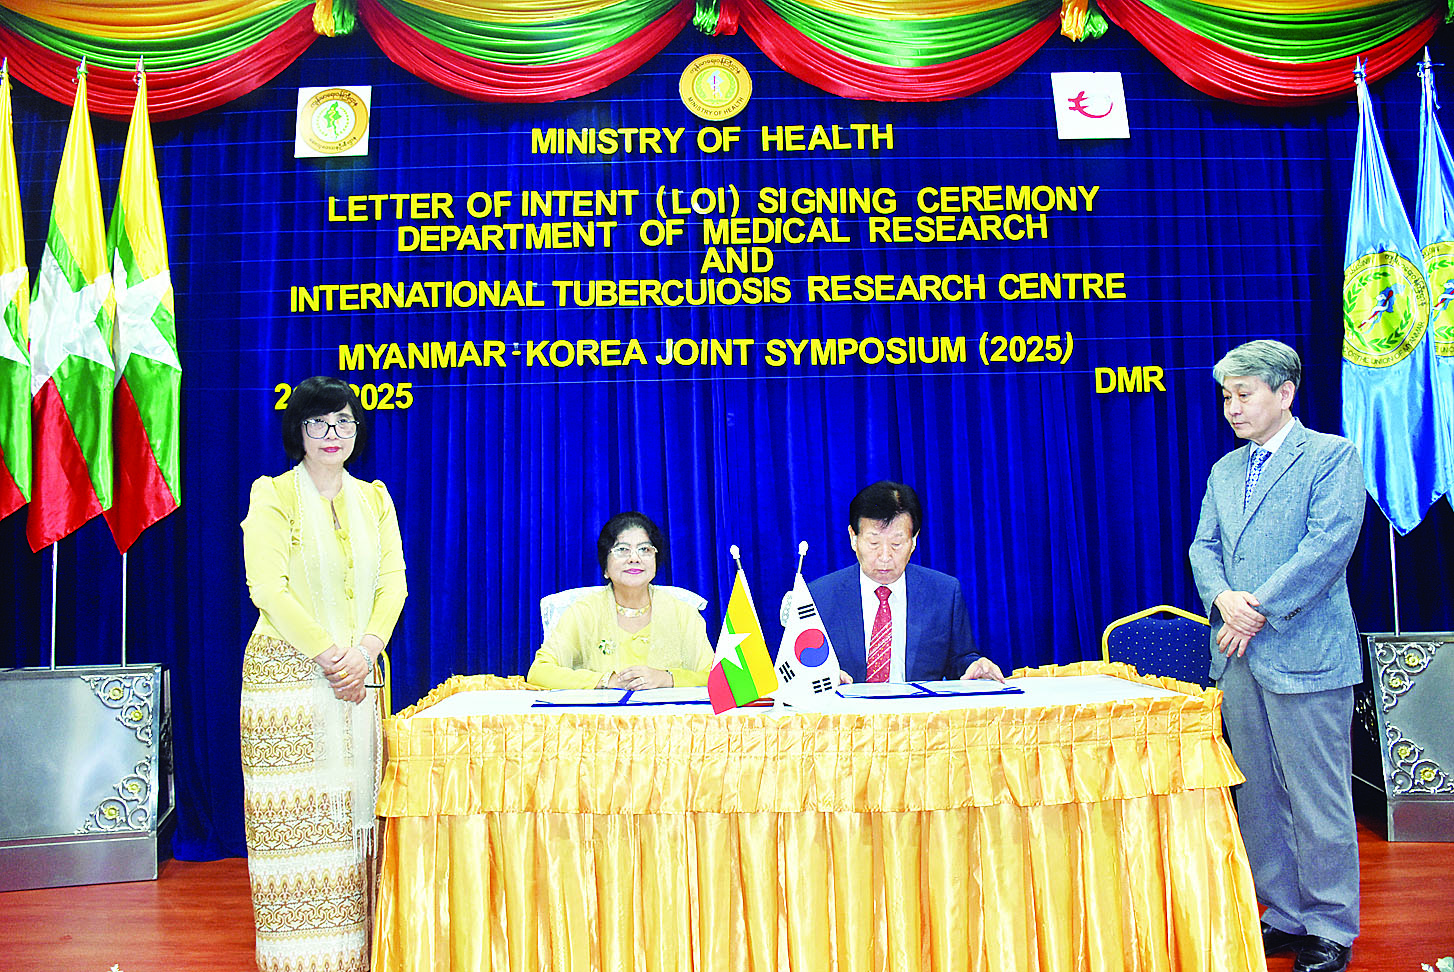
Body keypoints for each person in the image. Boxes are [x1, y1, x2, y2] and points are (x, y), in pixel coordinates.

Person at [1188, 340, 1364, 972]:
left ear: (1285, 393)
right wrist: (1222, 598)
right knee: (1260, 796)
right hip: (1238, 660)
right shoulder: (1224, 470)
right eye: (1226, 397)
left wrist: (1256, 607)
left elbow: (1328, 545)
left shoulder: (1331, 456)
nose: (1232, 408)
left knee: (1318, 797)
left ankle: (1331, 925)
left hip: (1305, 654)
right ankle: (1285, 912)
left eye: (1244, 394)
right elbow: (1203, 548)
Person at [240, 376, 407, 972]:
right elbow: (268, 589)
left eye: (343, 422)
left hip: (360, 680)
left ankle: (355, 959)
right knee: (295, 830)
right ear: (299, 430)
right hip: (286, 683)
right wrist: (331, 655)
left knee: (352, 829)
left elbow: (394, 584)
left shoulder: (375, 499)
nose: (332, 433)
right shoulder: (273, 494)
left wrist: (366, 649)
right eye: (318, 422)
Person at [807, 480, 1004, 683]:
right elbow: (801, 666)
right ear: (853, 538)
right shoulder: (819, 597)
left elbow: (960, 660)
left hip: (917, 704)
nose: (885, 556)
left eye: (897, 543)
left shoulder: (944, 593)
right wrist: (818, 677)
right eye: (874, 543)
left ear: (914, 540)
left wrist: (974, 665)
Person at [528, 511, 713, 689]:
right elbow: (539, 672)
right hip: (600, 712)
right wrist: (606, 681)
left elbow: (715, 676)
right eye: (622, 550)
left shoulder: (682, 612)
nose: (634, 558)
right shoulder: (583, 612)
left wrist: (668, 678)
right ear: (605, 568)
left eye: (645, 549)